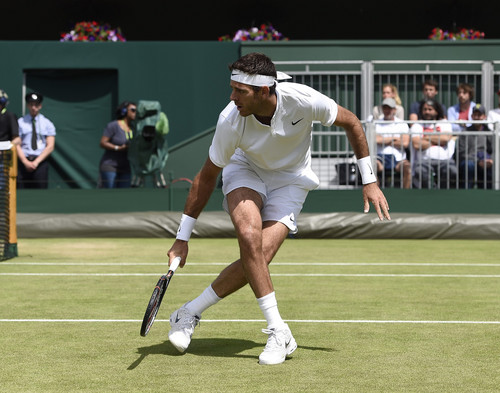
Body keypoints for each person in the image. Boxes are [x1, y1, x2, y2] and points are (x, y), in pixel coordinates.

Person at [165, 53, 390, 366]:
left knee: (258, 256)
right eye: (231, 88)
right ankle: (278, 330)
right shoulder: (231, 119)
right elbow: (206, 177)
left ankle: (188, 312)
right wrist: (182, 238)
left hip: (291, 180)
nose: (232, 97)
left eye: (239, 91)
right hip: (246, 169)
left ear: (263, 92)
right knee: (248, 234)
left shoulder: (303, 100)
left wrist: (370, 181)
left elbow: (351, 122)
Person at [410, 99, 457, 189]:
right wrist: (437, 139)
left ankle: (443, 193)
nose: (427, 112)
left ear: (436, 111)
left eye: (430, 109)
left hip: (444, 160)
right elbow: (416, 144)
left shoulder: (444, 123)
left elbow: (445, 138)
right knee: (420, 171)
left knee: (452, 170)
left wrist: (426, 137)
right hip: (424, 160)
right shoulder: (417, 125)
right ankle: (428, 194)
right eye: (425, 109)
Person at [16, 92, 56, 189]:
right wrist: (25, 162)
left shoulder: (47, 123)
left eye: (36, 105)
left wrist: (36, 162)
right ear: (27, 105)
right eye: (31, 104)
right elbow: (16, 144)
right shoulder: (20, 122)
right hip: (23, 162)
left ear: (40, 106)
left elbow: (50, 146)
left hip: (40, 163)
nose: (34, 107)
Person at [374, 97, 411, 188]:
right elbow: (375, 140)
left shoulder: (402, 124)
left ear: (394, 110)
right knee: (371, 167)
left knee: (408, 168)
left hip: (399, 159)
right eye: (385, 108)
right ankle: (375, 195)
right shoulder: (376, 123)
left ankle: (406, 195)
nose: (387, 110)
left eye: (389, 108)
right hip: (380, 158)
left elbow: (405, 143)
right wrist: (395, 138)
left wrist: (384, 140)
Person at [98, 101, 136, 188]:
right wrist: (117, 148)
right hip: (110, 166)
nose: (135, 113)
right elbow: (102, 143)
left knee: (123, 196)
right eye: (133, 110)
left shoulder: (134, 129)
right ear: (124, 111)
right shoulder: (113, 126)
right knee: (111, 195)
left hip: (125, 167)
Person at [456, 104, 493, 188]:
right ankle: (466, 192)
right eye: (475, 115)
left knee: (492, 166)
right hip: (470, 160)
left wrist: (491, 161)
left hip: (485, 160)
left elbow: (494, 150)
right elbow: (461, 153)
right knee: (469, 165)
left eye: (479, 115)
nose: (477, 117)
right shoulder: (465, 132)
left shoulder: (489, 133)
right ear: (472, 116)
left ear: (484, 117)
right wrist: (477, 161)